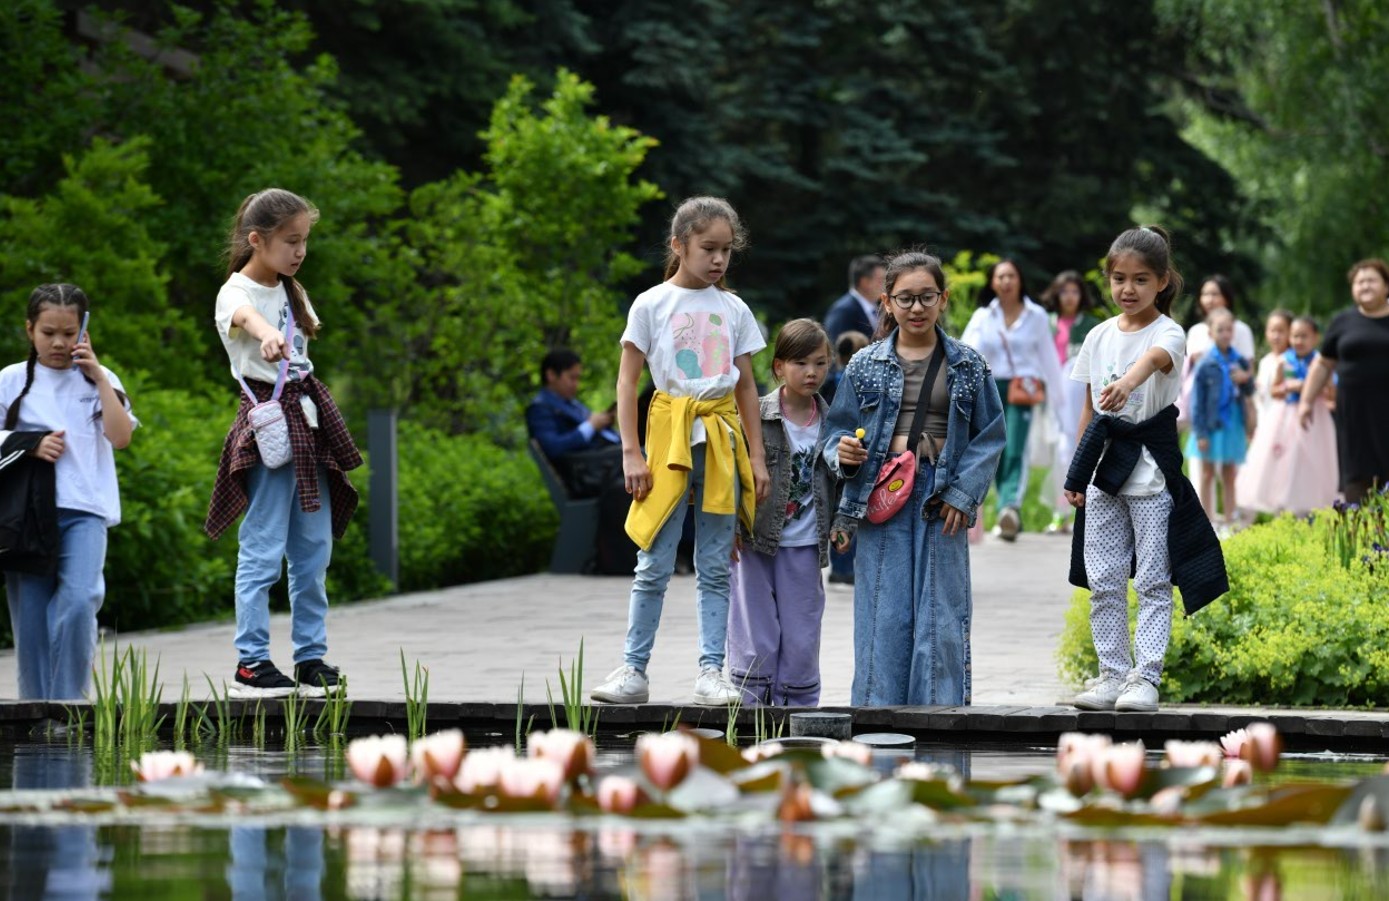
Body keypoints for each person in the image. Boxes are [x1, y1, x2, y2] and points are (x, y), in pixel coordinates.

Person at [589, 196, 769, 706]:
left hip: (721, 441)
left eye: (726, 250)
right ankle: (633, 669)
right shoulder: (650, 304)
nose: (718, 259)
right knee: (653, 560)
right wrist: (630, 452)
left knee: (715, 565)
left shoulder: (734, 309)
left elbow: (747, 387)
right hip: (668, 438)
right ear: (679, 245)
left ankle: (712, 672)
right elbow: (627, 382)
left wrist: (756, 457)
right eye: (708, 248)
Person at [823, 249, 1006, 706]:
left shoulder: (968, 365)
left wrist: (963, 494)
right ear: (887, 302)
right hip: (880, 493)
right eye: (905, 298)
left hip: (941, 497)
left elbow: (990, 436)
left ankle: (940, 722)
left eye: (927, 297)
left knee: (940, 615)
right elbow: (836, 431)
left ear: (943, 299)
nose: (917, 308)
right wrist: (843, 453)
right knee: (882, 613)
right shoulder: (864, 364)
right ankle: (877, 720)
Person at [205, 188, 364, 699]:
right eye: (291, 241)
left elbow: (299, 350)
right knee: (262, 548)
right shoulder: (236, 291)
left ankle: (310, 658)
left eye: (304, 241)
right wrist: (265, 334)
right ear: (257, 239)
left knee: (313, 552)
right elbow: (246, 319)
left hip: (309, 427)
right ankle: (251, 663)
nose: (300, 251)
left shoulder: (294, 291)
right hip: (269, 429)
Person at [1065, 225, 1227, 713]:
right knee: (1104, 579)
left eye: (1140, 279)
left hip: (1151, 474)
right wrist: (1078, 474)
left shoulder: (1169, 333)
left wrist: (1127, 383)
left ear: (1162, 281)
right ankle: (1112, 674)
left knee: (1154, 578)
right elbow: (1089, 409)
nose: (1128, 289)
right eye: (1119, 279)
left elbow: (1154, 361)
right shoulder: (1097, 335)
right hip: (1104, 474)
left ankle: (1146, 678)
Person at [0, 284, 135, 701]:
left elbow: (121, 437)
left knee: (80, 601)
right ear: (29, 329)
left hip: (85, 510)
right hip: (25, 515)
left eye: (68, 332)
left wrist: (99, 377)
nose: (58, 342)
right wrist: (29, 444)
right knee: (31, 622)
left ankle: (69, 706)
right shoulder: (10, 380)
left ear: (84, 330)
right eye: (48, 332)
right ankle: (37, 712)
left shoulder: (100, 379)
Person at [727, 319, 835, 707]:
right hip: (754, 541)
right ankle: (749, 711)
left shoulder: (834, 423)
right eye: (800, 363)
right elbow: (732, 474)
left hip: (804, 545)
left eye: (820, 363)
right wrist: (728, 526)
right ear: (778, 367)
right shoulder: (755, 415)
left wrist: (843, 525)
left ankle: (798, 711)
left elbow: (842, 481)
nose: (811, 372)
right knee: (755, 632)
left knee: (802, 632)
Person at [960, 258, 1066, 540]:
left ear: (1020, 280)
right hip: (989, 387)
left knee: (1016, 445)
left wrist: (1060, 401)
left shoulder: (1036, 315)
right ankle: (1000, 506)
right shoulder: (983, 316)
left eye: (1011, 276)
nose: (1006, 282)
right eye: (1000, 277)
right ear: (993, 283)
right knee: (993, 447)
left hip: (1023, 388)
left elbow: (1048, 357)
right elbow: (965, 352)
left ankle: (1010, 506)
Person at [1299, 259, 1389, 504]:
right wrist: (1306, 401)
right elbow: (1323, 364)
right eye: (1359, 282)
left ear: (1386, 286)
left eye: (1371, 280)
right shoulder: (1343, 322)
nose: (1365, 286)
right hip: (1354, 416)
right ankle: (1360, 526)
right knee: (1357, 477)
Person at [1239, 315, 1338, 515]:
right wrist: (1288, 387)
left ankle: (1310, 506)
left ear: (1315, 338)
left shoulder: (1320, 363)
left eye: (1304, 336)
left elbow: (1331, 393)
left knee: (1312, 460)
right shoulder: (1284, 362)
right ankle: (1285, 505)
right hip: (1285, 416)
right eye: (1294, 336)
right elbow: (1274, 391)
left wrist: (1311, 388)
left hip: (1314, 417)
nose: (1298, 341)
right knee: (1285, 461)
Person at [1037, 270, 1103, 534]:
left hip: (1080, 398)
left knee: (1080, 447)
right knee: (1060, 453)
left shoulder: (1091, 325)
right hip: (1053, 396)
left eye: (1075, 291)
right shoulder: (1047, 323)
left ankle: (1084, 510)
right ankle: (1060, 512)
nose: (1069, 297)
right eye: (1064, 291)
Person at [1185, 307, 1253, 527]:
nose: (1225, 334)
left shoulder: (1239, 360)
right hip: (1210, 424)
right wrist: (1200, 433)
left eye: (1229, 330)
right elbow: (1197, 402)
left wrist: (1245, 378)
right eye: (1220, 330)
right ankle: (1209, 520)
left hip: (1232, 422)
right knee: (1207, 473)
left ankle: (1231, 520)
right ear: (1210, 333)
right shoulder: (1205, 363)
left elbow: (1250, 390)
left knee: (1229, 473)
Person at [525, 348, 621, 497]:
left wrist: (603, 423)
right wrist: (591, 426)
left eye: (578, 378)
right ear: (551, 375)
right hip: (589, 475)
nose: (576, 384)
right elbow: (553, 447)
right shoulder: (540, 408)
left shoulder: (570, 403)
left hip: (603, 464)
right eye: (572, 378)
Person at [822, 329, 869, 586]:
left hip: (832, 454)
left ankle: (839, 566)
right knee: (851, 511)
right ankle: (847, 566)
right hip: (853, 453)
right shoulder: (859, 382)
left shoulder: (829, 381)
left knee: (837, 511)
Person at [823, 256, 884, 345]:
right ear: (865, 282)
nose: (885, 284)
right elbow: (836, 347)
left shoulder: (879, 308)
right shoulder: (843, 310)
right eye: (881, 280)